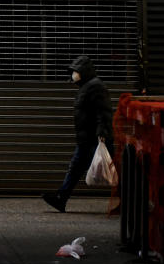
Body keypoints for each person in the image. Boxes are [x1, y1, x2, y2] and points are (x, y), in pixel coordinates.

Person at [42, 55, 115, 213]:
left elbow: (103, 112)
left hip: (94, 138)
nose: (73, 74)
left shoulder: (96, 86)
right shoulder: (87, 86)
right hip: (86, 138)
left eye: (76, 71)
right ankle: (61, 199)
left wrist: (102, 133)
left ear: (84, 71)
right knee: (76, 168)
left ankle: (135, 200)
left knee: (112, 170)